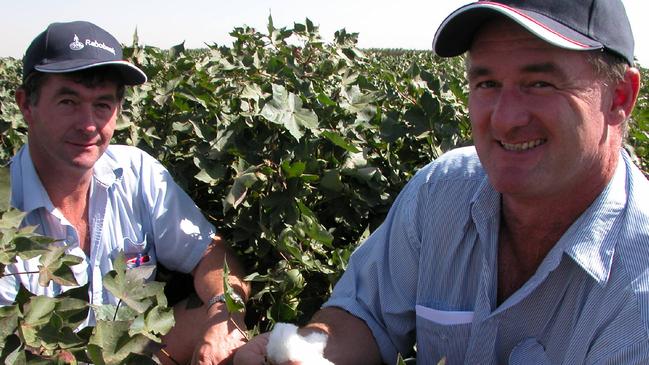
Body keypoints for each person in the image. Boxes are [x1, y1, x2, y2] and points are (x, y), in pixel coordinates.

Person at [234, 0, 648, 363]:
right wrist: (301, 351)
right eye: (486, 83)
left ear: (619, 97)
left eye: (540, 83)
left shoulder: (639, 294)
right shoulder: (443, 191)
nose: (504, 119)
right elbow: (366, 315)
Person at [0, 21, 249, 365]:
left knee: (224, 336)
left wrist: (226, 315)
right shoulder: (5, 213)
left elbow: (211, 252)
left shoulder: (136, 173)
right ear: (26, 105)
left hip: (135, 354)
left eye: (102, 104)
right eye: (68, 101)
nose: (88, 124)